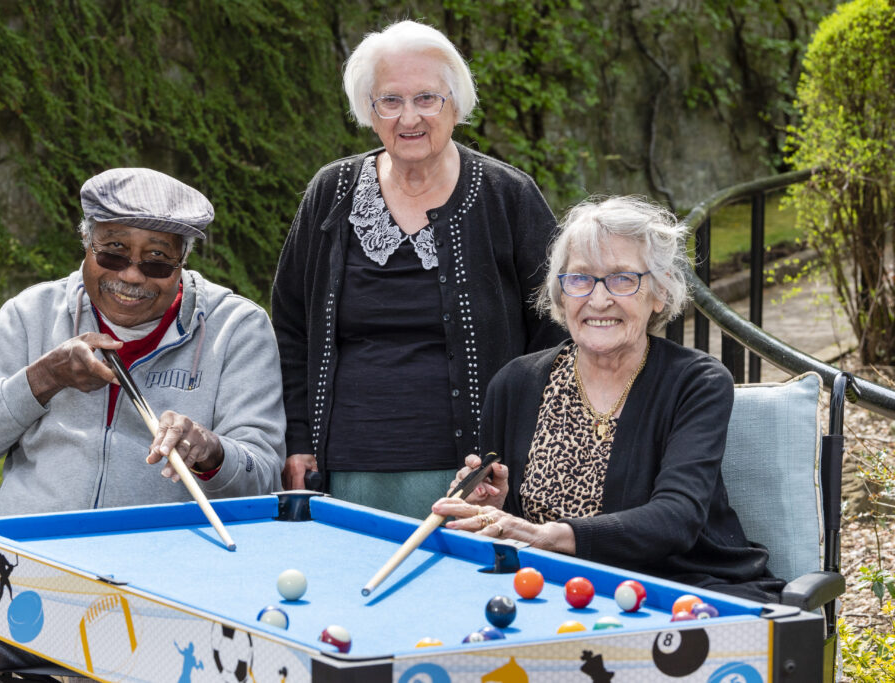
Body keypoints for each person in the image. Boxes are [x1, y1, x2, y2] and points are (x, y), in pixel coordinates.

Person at [0, 168, 286, 681]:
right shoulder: (33, 312)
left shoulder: (235, 328)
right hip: (18, 581)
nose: (132, 275)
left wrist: (210, 451)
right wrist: (40, 380)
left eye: (157, 259)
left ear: (183, 261)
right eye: (113, 251)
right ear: (86, 245)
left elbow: (265, 477)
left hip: (157, 593)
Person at [272, 20, 567, 517]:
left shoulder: (507, 195)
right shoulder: (332, 191)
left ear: (455, 105)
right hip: (345, 470)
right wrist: (298, 438)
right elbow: (291, 326)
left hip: (473, 475)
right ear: (370, 110)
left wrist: (515, 449)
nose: (409, 117)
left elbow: (556, 329)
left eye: (427, 98)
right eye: (390, 100)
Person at [434, 196, 784, 602]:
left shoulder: (696, 382)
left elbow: (677, 519)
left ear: (658, 293)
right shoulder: (514, 384)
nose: (599, 300)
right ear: (561, 295)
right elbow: (510, 524)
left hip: (677, 591)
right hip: (551, 592)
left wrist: (545, 536)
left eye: (622, 279)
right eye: (581, 279)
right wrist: (494, 503)